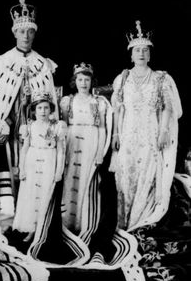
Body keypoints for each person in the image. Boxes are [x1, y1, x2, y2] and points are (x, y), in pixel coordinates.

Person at [0, 0, 59, 230]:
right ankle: (7, 216)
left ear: (35, 33)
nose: (26, 35)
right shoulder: (2, 62)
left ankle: (32, 219)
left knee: (33, 166)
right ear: (14, 33)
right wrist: (2, 122)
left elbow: (50, 101)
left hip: (35, 124)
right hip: (10, 123)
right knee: (7, 159)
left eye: (30, 31)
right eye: (22, 31)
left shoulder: (42, 64)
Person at [110, 20, 182, 231]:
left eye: (144, 50)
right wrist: (115, 133)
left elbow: (168, 108)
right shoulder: (122, 79)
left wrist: (164, 131)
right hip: (129, 134)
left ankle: (142, 223)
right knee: (126, 175)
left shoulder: (161, 78)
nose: (141, 54)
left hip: (151, 134)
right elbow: (118, 108)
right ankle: (124, 225)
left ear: (149, 54)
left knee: (148, 175)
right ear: (131, 55)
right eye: (137, 50)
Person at [60, 62, 113, 240]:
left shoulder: (98, 103)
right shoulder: (68, 102)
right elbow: (64, 127)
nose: (83, 83)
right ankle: (67, 224)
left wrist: (100, 152)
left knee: (87, 181)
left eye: (87, 80)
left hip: (91, 142)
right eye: (80, 80)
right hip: (72, 144)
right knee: (70, 182)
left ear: (92, 82)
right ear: (75, 81)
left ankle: (85, 223)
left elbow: (102, 129)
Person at [12, 90, 66, 243]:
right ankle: (32, 229)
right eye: (40, 108)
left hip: (49, 161)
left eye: (46, 108)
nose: (43, 111)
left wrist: (58, 171)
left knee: (45, 196)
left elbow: (61, 151)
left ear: (51, 109)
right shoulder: (29, 127)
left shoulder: (57, 127)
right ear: (34, 110)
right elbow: (24, 149)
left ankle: (42, 229)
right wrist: (22, 169)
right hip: (32, 162)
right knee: (31, 196)